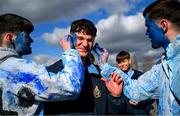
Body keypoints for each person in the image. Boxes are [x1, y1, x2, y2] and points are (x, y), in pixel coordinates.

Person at [100, 0, 180, 115]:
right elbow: (137, 90)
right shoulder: (163, 65)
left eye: (149, 27)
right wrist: (106, 66)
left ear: (163, 25)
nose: (147, 33)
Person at [0, 13, 84, 115]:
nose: (31, 40)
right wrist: (70, 52)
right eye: (27, 35)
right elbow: (70, 87)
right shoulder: (17, 68)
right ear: (9, 37)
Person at [44, 18, 124, 115]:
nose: (85, 44)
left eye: (90, 40)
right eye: (80, 38)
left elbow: (112, 113)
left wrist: (115, 97)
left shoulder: (101, 76)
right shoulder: (52, 72)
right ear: (70, 38)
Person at [116, 51, 155, 115]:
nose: (122, 64)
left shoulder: (141, 76)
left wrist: (140, 102)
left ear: (129, 61)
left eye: (124, 61)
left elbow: (152, 97)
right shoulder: (117, 79)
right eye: (119, 62)